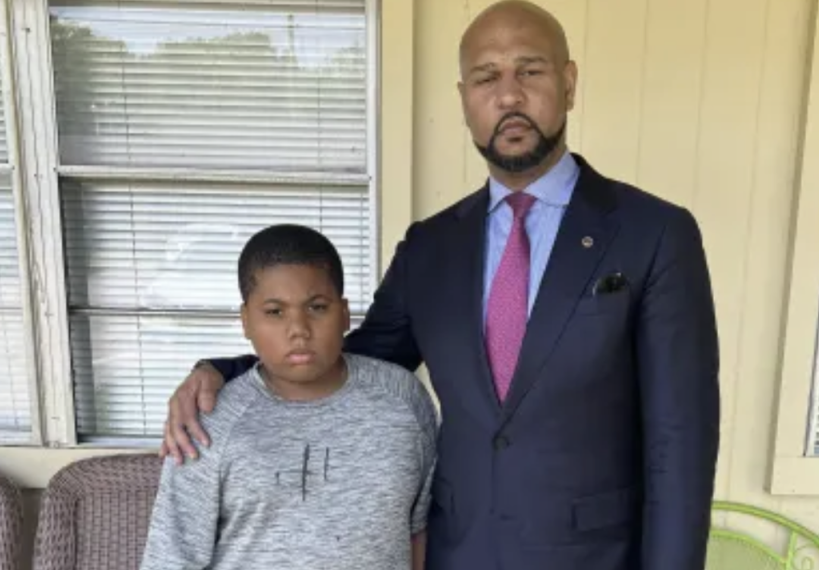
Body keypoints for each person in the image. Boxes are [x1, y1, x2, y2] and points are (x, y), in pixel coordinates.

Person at [161, 1, 720, 569]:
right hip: (461, 552)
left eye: (530, 71)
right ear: (464, 100)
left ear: (569, 82)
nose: (509, 96)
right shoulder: (431, 247)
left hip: (594, 554)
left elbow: (681, 441)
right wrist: (225, 371)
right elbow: (355, 354)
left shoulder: (653, 233)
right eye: (487, 77)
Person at [141, 224, 437, 570]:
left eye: (316, 307)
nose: (298, 329)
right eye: (275, 312)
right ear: (245, 320)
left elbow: (417, 531)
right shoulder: (209, 421)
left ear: (343, 313)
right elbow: (172, 557)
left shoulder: (404, 401)